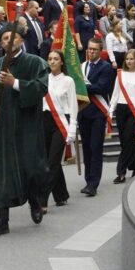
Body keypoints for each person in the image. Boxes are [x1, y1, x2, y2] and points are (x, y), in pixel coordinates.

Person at [0, 21, 51, 237]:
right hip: (3, 128)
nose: (9, 41)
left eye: (13, 37)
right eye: (4, 39)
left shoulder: (35, 63)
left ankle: (35, 200)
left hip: (28, 125)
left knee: (32, 168)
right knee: (3, 173)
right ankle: (2, 220)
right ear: (1, 44)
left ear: (21, 40)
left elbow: (41, 88)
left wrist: (15, 83)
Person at [40, 50, 77, 210]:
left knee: (53, 161)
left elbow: (73, 106)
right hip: (44, 120)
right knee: (49, 160)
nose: (52, 61)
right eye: (50, 59)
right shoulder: (43, 79)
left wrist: (73, 128)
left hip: (62, 122)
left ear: (61, 62)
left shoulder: (68, 81)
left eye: (56, 59)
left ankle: (42, 199)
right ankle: (61, 195)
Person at [78, 38, 114, 196]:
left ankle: (93, 184)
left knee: (95, 148)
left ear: (100, 51)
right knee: (86, 148)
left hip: (98, 113)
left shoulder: (106, 67)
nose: (91, 52)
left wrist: (83, 86)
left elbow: (101, 87)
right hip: (83, 112)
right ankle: (88, 180)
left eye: (94, 49)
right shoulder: (82, 66)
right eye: (89, 49)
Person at [109, 49, 135, 183]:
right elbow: (115, 93)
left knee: (129, 139)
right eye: (127, 59)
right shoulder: (120, 74)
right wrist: (111, 110)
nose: (129, 61)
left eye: (132, 59)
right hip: (121, 108)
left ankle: (120, 171)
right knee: (124, 141)